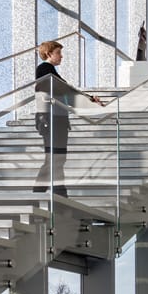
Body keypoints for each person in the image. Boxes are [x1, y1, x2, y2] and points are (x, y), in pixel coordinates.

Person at [33, 39, 103, 196]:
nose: (61, 56)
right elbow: (65, 91)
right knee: (54, 158)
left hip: (56, 119)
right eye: (58, 53)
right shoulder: (44, 69)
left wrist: (90, 100)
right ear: (49, 53)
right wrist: (89, 100)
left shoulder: (50, 72)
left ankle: (58, 194)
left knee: (57, 159)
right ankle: (45, 193)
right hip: (51, 119)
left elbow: (66, 93)